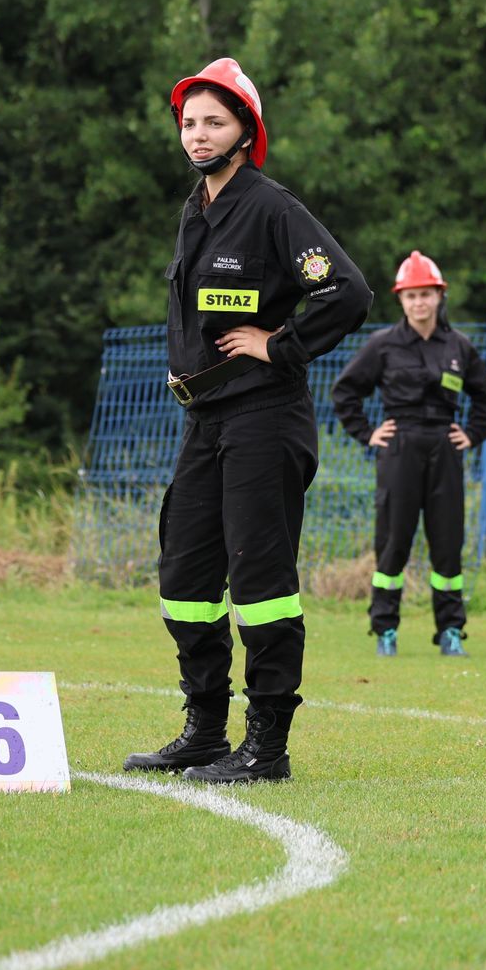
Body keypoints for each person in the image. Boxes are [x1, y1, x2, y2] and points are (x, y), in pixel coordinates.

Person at [122, 58, 371, 783]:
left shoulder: (271, 207)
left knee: (261, 584)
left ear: (245, 131)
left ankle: (266, 746)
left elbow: (348, 291)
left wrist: (279, 343)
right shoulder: (195, 210)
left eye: (214, 122)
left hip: (266, 416)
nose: (197, 135)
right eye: (188, 122)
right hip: (205, 420)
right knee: (185, 577)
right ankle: (204, 731)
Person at [331, 251, 486, 658]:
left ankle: (451, 631)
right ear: (401, 300)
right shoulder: (383, 345)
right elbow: (345, 392)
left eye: (426, 294)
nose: (419, 303)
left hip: (446, 448)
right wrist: (368, 434)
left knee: (447, 543)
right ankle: (385, 630)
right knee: (393, 541)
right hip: (400, 448)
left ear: (440, 296)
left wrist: (471, 434)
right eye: (411, 296)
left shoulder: (459, 346)